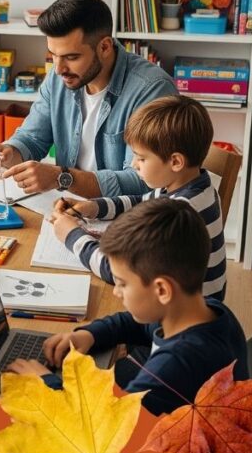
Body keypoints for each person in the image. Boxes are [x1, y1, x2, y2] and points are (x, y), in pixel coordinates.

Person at [8, 199, 248, 416]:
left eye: (122, 283)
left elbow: (103, 432)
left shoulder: (171, 367)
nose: (115, 291)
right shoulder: (209, 311)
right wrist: (89, 334)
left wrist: (46, 385)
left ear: (162, 290)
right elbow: (137, 324)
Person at [0, 0, 176, 196]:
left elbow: (143, 182)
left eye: (71, 57)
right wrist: (8, 152)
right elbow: (32, 139)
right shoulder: (59, 79)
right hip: (70, 210)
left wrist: (61, 177)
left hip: (126, 219)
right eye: (53, 55)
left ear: (105, 47)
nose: (58, 69)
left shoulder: (153, 89)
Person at [52, 95, 226, 300]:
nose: (134, 164)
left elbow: (116, 273)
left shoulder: (179, 215)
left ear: (176, 162)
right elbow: (139, 202)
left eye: (141, 158)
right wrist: (93, 207)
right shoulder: (192, 185)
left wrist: (71, 235)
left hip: (180, 322)